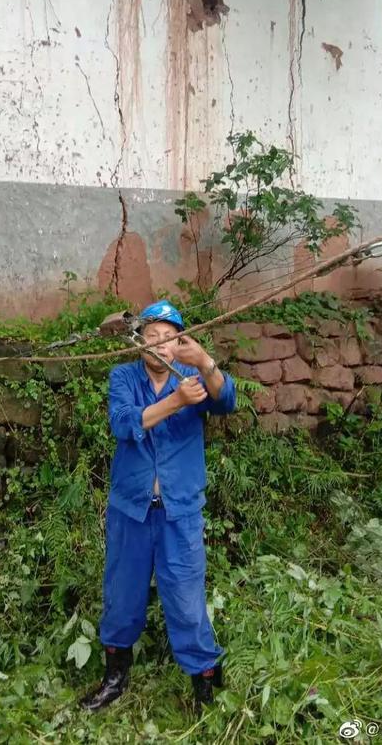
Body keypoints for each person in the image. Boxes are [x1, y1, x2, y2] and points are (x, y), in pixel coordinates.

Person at [80, 299, 237, 713]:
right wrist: (175, 401)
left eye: (169, 339)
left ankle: (204, 687)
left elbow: (226, 401)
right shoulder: (123, 377)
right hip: (130, 510)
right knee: (121, 594)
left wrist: (204, 360)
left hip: (179, 512)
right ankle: (115, 678)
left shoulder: (193, 374)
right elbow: (124, 423)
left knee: (186, 597)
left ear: (178, 343)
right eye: (152, 337)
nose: (160, 345)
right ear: (139, 343)